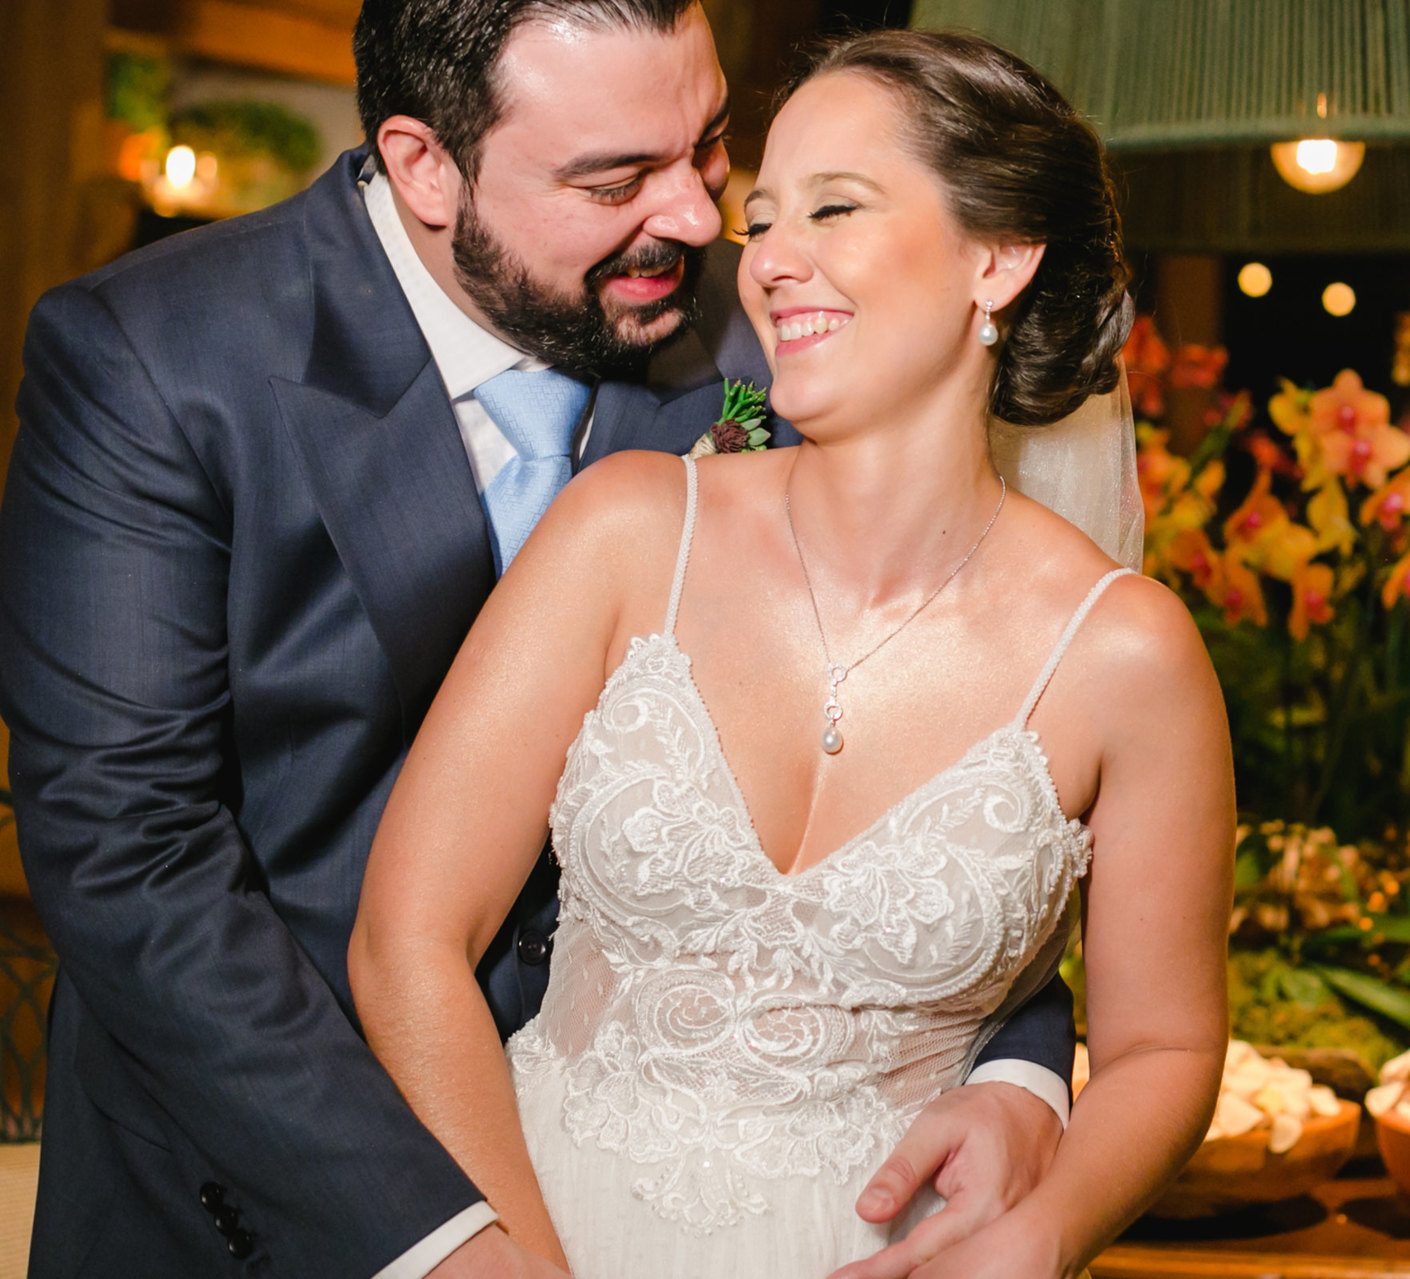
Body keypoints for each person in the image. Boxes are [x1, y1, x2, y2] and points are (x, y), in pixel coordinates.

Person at [0, 4, 1080, 1276]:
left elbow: (939, 757)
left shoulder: (777, 345)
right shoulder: (156, 359)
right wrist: (450, 1237)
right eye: (615, 179)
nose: (695, 219)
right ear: (424, 166)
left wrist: (1022, 1076)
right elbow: (135, 860)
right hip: (243, 1198)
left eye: (710, 147)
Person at [350, 27, 1236, 1279]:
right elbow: (408, 937)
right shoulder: (627, 530)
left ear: (997, 256)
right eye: (762, 219)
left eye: (836, 208)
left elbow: (1164, 1050)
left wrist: (1042, 1230)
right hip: (543, 1229)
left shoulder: (1126, 658)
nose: (769, 262)